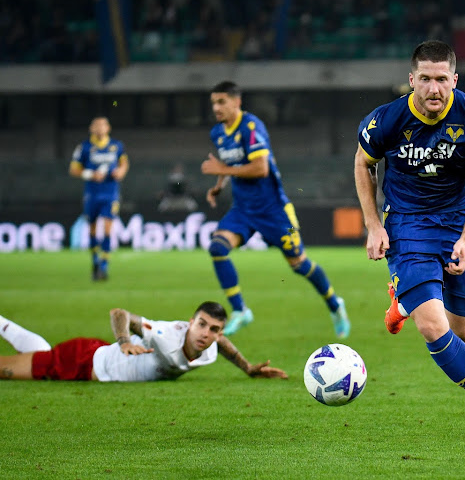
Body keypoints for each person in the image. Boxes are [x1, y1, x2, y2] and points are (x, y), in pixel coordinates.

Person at [353, 40, 465, 440]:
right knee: (433, 327)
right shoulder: (386, 120)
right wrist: (374, 226)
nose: (433, 88)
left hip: (456, 224)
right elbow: (364, 163)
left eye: (441, 79)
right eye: (424, 79)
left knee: (463, 331)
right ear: (411, 80)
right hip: (407, 224)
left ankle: (402, 296)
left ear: (455, 80)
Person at [201, 81, 349, 338]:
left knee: (299, 264)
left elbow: (261, 168)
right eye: (213, 102)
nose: (216, 107)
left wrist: (222, 172)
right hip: (243, 209)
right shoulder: (218, 132)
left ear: (237, 101)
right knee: (217, 247)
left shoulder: (251, 127)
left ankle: (335, 305)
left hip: (274, 211)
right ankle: (240, 310)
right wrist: (219, 185)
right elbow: (229, 163)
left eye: (221, 101)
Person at [0, 301, 288, 381]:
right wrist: (125, 340)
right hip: (84, 362)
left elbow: (223, 345)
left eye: (214, 329)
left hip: (94, 359)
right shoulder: (165, 336)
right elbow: (119, 312)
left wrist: (247, 367)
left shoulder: (210, 347)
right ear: (190, 322)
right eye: (201, 324)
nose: (206, 334)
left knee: (40, 355)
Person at [69, 116, 129, 281]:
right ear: (91, 128)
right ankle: (95, 261)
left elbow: (124, 163)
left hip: (110, 194)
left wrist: (121, 172)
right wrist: (90, 174)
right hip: (92, 194)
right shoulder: (84, 147)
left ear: (108, 128)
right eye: (96, 125)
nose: (100, 128)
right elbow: (73, 169)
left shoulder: (116, 146)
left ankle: (104, 266)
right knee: (93, 229)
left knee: (108, 228)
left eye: (102, 125)